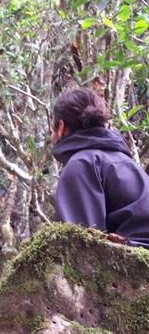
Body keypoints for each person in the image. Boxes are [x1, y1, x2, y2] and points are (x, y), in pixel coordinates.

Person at [51, 87, 149, 248]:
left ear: (60, 127)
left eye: (52, 129)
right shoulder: (125, 161)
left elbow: (78, 245)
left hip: (133, 262)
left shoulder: (82, 163)